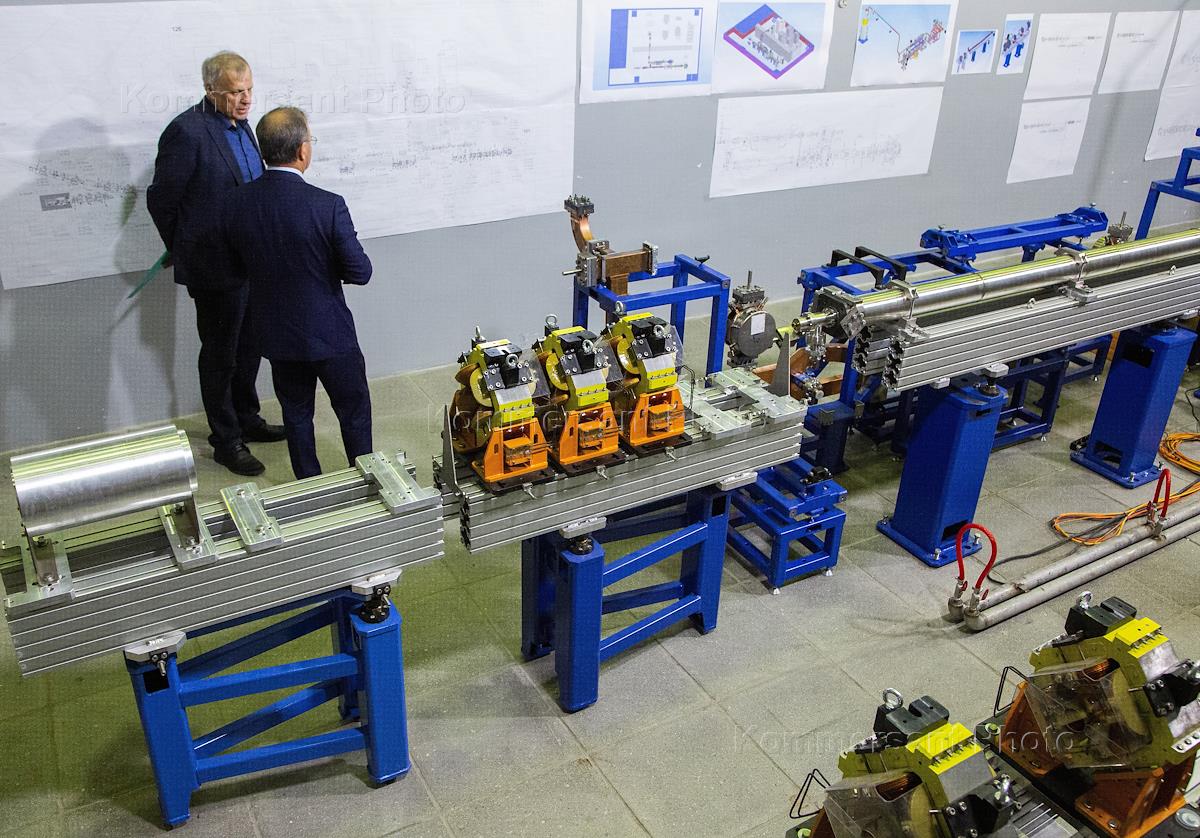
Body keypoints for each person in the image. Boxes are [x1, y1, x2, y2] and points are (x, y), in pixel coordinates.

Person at [147, 50, 286, 477]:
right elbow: (161, 200)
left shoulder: (243, 127)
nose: (245, 100)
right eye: (234, 92)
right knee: (221, 355)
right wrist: (183, 247)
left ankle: (247, 418)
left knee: (249, 347)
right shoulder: (186, 132)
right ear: (210, 90)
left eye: (249, 90)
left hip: (251, 261)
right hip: (214, 267)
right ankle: (226, 441)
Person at [222, 107, 374, 480]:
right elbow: (361, 272)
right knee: (353, 410)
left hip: (277, 335)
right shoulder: (328, 205)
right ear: (302, 150)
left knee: (296, 413)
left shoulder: (237, 202)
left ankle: (308, 485)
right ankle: (364, 480)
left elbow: (236, 265)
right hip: (330, 334)